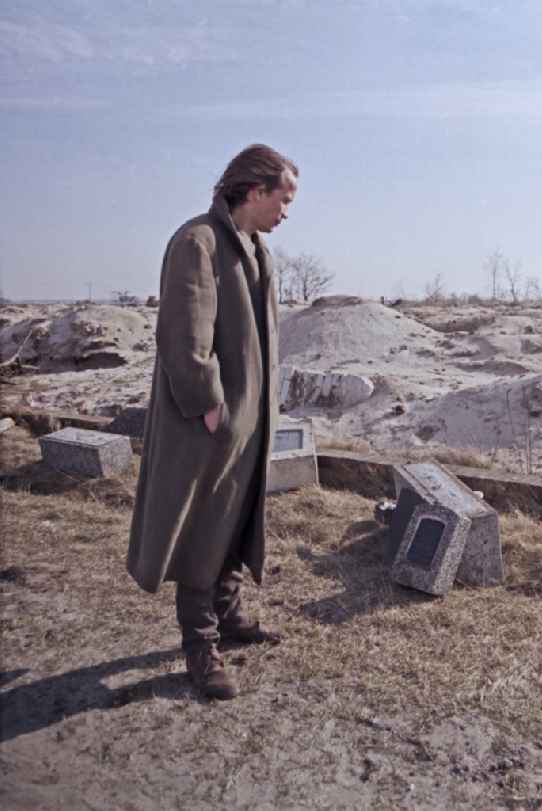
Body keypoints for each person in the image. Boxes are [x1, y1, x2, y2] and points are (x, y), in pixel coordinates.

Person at [127, 144, 298, 700]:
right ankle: (200, 646)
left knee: (233, 520)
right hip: (209, 423)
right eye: (283, 198)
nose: (286, 211)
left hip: (249, 423)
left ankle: (228, 615)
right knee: (201, 527)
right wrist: (210, 406)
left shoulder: (256, 249)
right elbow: (184, 334)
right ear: (254, 191)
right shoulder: (197, 241)